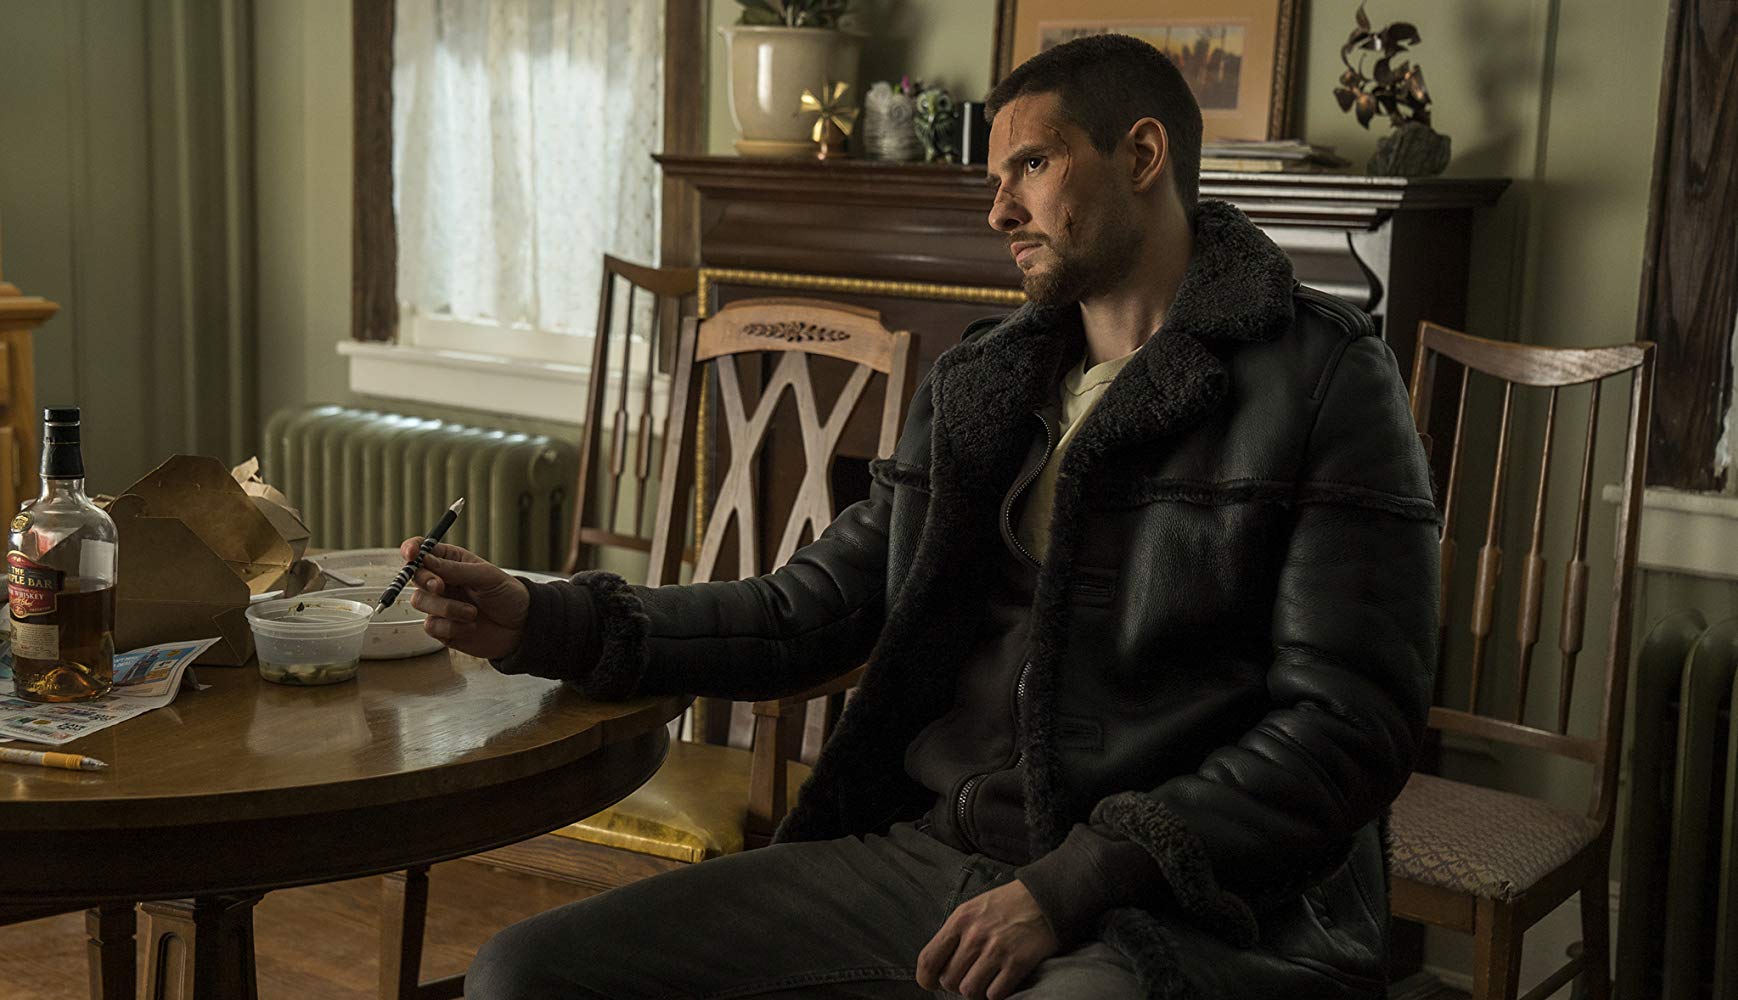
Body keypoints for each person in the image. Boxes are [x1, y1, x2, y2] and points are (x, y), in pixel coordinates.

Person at [406, 32, 1439, 1000]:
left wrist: (1073, 882)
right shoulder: (981, 383)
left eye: (1031, 166)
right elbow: (805, 609)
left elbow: (1348, 726)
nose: (999, 212)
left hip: (1188, 905)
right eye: (995, 179)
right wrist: (545, 616)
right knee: (524, 973)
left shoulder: (1324, 378)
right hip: (940, 854)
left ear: (1140, 156)